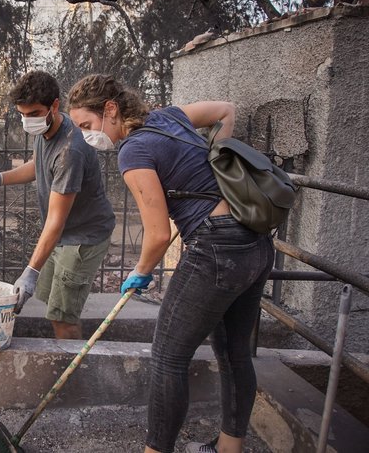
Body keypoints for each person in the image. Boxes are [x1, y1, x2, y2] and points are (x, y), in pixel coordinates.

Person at [67, 74, 274, 453]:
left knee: (167, 356)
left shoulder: (132, 151)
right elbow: (226, 111)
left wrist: (140, 273)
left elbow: (158, 234)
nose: (86, 136)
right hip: (255, 243)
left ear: (110, 110)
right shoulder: (171, 116)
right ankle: (229, 448)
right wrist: (217, 156)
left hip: (217, 250)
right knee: (233, 351)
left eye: (87, 125)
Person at [0, 71, 115, 340]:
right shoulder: (47, 128)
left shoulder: (71, 150)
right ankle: (60, 355)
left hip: (82, 238)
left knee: (63, 318)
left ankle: (72, 375)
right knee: (53, 304)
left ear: (55, 106)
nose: (28, 120)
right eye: (22, 114)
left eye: (34, 112)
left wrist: (30, 272)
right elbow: (38, 165)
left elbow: (55, 222)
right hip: (64, 234)